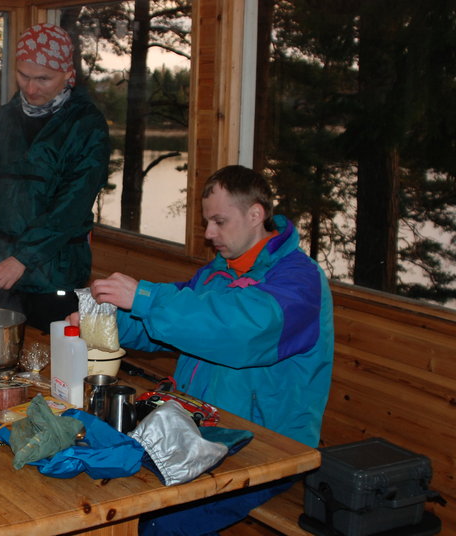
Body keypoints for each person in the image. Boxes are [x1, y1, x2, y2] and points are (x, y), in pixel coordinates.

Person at [77, 165, 334, 535]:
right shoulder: (218, 272)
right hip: (200, 429)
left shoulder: (299, 281)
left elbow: (240, 333)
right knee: (101, 483)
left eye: (219, 221)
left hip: (265, 448)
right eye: (206, 222)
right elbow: (169, 328)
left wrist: (145, 297)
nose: (209, 234)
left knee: (152, 522)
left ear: (255, 214)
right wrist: (100, 321)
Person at [0, 23, 110, 331]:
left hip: (56, 271)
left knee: (55, 361)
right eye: (24, 76)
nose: (31, 88)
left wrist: (22, 258)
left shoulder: (86, 126)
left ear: (67, 74)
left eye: (43, 78)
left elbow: (71, 205)